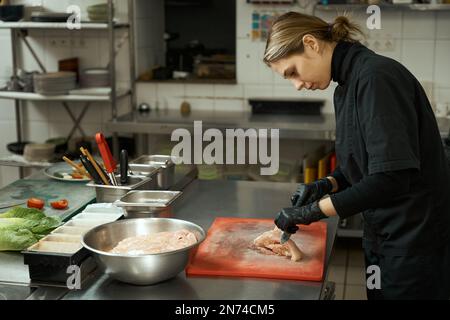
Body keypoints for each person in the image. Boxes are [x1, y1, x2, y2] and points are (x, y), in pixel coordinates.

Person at [264, 12, 450, 300]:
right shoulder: (345, 87)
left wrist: (313, 212)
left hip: (413, 240)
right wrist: (326, 183)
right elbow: (362, 167)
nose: (297, 85)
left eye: (293, 72)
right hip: (383, 232)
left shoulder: (376, 78)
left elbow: (392, 177)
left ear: (311, 43)